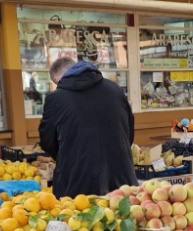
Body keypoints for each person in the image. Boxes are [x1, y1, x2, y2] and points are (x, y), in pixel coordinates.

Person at [39, 57, 136, 198]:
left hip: (77, 183)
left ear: (59, 78)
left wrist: (69, 156)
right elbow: (129, 130)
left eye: (56, 83)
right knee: (120, 217)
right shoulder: (114, 89)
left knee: (80, 218)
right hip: (121, 178)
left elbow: (48, 142)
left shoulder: (56, 99)